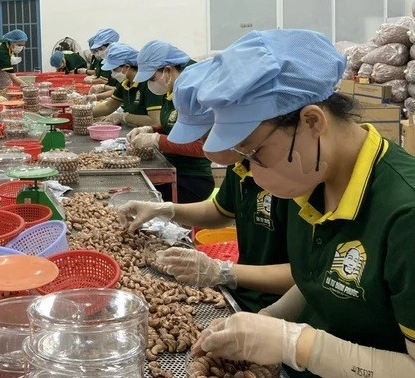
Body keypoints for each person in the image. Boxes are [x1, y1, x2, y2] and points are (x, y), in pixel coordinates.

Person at [188, 30, 415, 377]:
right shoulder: (310, 181)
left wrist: (295, 344)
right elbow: (319, 280)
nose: (253, 174)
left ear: (312, 121)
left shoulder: (404, 213)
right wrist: (270, 318)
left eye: (255, 154)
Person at [118, 60, 293, 313]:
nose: (205, 143)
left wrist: (223, 271)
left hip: (277, 309)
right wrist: (163, 209)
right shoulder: (242, 162)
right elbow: (221, 212)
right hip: (248, 298)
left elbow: (308, 276)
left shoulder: (292, 174)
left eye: (207, 134)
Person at [125, 41, 214, 203]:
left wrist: (157, 140)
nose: (150, 84)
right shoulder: (172, 90)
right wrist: (152, 130)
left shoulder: (194, 93)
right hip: (171, 166)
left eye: (152, 78)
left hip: (192, 177)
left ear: (167, 71)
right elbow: (173, 125)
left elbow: (203, 147)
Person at [91, 42, 163, 127]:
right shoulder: (125, 83)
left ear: (127, 67)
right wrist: (82, 113)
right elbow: (108, 106)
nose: (112, 73)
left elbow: (156, 122)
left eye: (114, 69)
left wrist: (124, 117)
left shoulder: (149, 85)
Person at [84, 28, 120, 100]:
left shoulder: (121, 61)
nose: (99, 53)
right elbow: (120, 90)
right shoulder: (108, 60)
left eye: (100, 49)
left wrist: (102, 87)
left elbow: (123, 91)